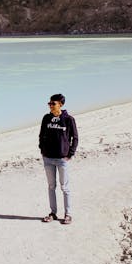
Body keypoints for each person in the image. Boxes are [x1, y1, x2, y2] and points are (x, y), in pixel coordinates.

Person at [39, 93, 78, 225]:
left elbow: (75, 138)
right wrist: (42, 150)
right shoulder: (46, 118)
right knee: (51, 186)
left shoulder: (68, 119)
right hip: (48, 159)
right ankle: (53, 213)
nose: (50, 106)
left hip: (62, 159)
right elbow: (41, 135)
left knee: (64, 187)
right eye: (49, 103)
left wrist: (70, 154)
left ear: (60, 104)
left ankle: (68, 214)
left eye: (53, 103)